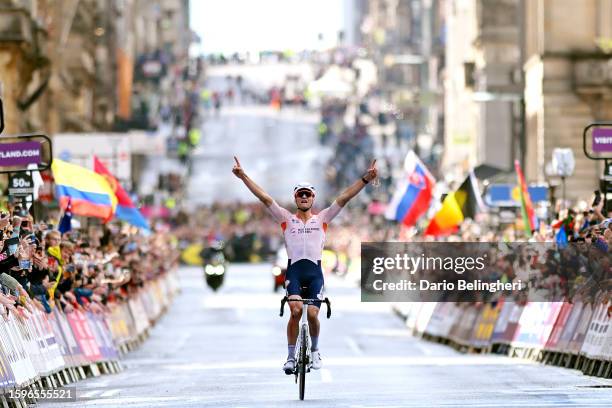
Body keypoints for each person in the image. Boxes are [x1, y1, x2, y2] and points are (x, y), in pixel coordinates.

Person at [231, 156, 378, 374]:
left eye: (307, 194)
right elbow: (264, 198)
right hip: (295, 273)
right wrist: (243, 176)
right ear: (295, 198)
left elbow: (344, 197)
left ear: (313, 198)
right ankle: (290, 357)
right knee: (296, 310)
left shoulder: (323, 218)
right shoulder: (286, 218)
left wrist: (365, 179)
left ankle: (316, 350)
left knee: (312, 315)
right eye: (300, 194)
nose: (304, 197)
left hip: (315, 273)